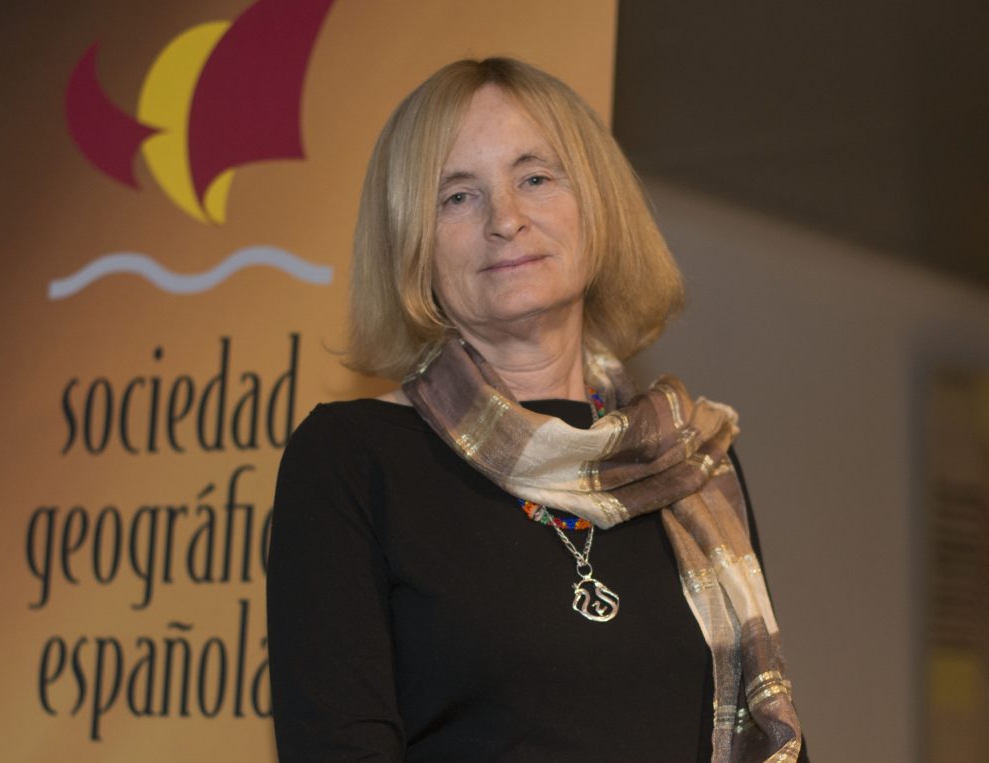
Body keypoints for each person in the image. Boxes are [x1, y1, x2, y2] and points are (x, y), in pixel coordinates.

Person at [267, 57, 805, 762]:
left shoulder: (690, 462)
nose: (506, 220)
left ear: (596, 206)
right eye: (457, 196)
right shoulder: (352, 460)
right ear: (413, 245)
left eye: (535, 178)